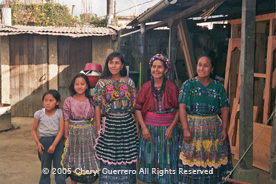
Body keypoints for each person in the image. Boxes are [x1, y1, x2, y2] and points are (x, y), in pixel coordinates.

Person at [178, 52, 232, 183]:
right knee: (192, 163)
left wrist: (224, 129)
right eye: (199, 65)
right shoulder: (188, 85)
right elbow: (182, 108)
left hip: (214, 131)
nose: (201, 68)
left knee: (214, 163)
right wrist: (185, 129)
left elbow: (224, 109)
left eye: (206, 66)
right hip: (193, 130)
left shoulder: (218, 87)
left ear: (212, 68)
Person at [93, 51, 138, 184]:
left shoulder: (129, 82)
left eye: (117, 62)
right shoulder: (101, 83)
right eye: (111, 62)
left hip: (127, 124)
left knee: (127, 154)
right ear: (107, 64)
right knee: (109, 155)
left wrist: (136, 127)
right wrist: (97, 126)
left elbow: (134, 106)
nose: (113, 65)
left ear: (122, 65)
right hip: (109, 124)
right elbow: (97, 105)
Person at [135, 53, 179, 184]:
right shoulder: (145, 87)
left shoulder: (172, 87)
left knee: (168, 160)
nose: (156, 70)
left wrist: (171, 128)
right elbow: (138, 109)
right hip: (149, 129)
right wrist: (144, 128)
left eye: (160, 67)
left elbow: (178, 110)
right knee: (150, 160)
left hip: (167, 131)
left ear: (165, 70)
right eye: (154, 67)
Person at [61, 73, 100, 184]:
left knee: (87, 158)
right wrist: (65, 136)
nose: (79, 86)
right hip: (72, 134)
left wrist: (98, 135)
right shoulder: (69, 100)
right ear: (73, 86)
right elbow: (66, 120)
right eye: (77, 84)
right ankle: (74, 182)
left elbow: (96, 121)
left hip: (88, 133)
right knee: (74, 158)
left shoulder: (92, 101)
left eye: (82, 84)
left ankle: (88, 180)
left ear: (87, 85)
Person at [31, 89, 66, 184]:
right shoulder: (38, 114)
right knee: (45, 168)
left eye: (51, 100)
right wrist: (38, 143)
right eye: (45, 100)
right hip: (44, 142)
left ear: (57, 102)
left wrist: (54, 145)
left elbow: (61, 131)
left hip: (57, 142)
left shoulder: (59, 113)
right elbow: (33, 130)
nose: (48, 103)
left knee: (59, 167)